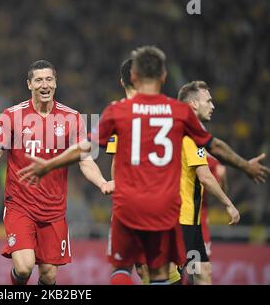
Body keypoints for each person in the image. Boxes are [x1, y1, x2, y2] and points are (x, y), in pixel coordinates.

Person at [18, 46, 270, 284]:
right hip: (165, 204)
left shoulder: (118, 111)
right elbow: (214, 145)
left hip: (129, 202)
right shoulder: (178, 111)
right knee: (161, 272)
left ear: (133, 77)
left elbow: (86, 147)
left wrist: (49, 165)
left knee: (122, 267)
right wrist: (245, 166)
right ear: (163, 76)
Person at [0, 60, 112, 285]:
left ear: (56, 83)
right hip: (20, 206)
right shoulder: (11, 116)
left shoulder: (72, 118)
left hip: (54, 210)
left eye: (49, 79)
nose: (45, 84)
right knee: (24, 268)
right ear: (29, 85)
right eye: (39, 80)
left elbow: (85, 160)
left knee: (49, 274)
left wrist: (102, 182)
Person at [173, 81, 240, 285]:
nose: (213, 106)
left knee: (202, 272)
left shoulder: (178, 128)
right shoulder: (190, 134)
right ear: (193, 104)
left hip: (189, 221)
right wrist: (229, 204)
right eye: (208, 101)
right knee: (174, 277)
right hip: (180, 220)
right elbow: (205, 176)